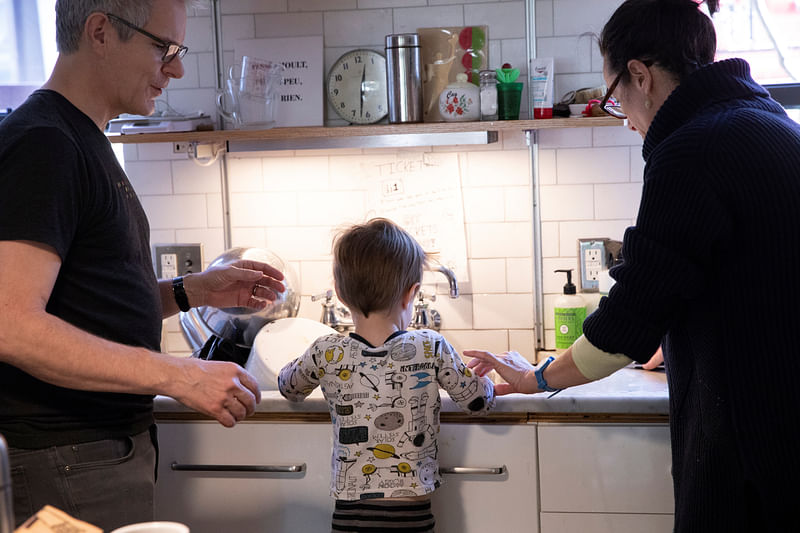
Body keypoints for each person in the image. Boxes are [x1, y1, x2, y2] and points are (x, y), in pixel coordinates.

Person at [467, 0, 800, 531]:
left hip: (753, 449)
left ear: (640, 76)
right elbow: (740, 283)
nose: (623, 120)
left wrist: (536, 378)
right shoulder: (764, 121)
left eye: (615, 98)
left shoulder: (692, 150)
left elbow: (621, 330)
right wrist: (668, 341)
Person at [0, 1, 286, 530]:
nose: (175, 69)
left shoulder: (80, 138)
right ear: (102, 32)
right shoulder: (45, 144)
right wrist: (178, 373)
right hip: (67, 455)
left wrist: (191, 291)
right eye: (164, 48)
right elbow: (11, 325)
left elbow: (85, 303)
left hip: (92, 451)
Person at [278, 218, 495, 533]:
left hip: (349, 513)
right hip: (411, 513)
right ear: (411, 294)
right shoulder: (430, 346)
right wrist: (485, 382)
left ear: (339, 292)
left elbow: (289, 387)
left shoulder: (326, 351)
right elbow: (476, 402)